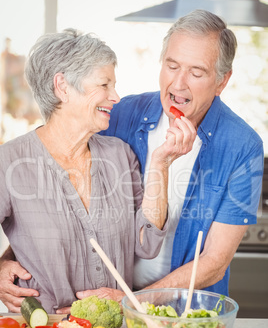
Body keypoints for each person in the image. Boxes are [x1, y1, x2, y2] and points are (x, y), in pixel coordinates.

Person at [0, 10, 264, 313]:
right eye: (172, 65)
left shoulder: (243, 146)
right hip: (103, 311)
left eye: (196, 72)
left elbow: (214, 263)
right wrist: (6, 262)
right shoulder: (120, 115)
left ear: (221, 81)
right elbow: (53, 214)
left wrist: (134, 301)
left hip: (185, 312)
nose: (178, 83)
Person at [0, 29, 191, 313]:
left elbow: (147, 244)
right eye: (104, 84)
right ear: (62, 86)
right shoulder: (10, 161)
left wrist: (161, 165)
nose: (115, 96)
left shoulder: (119, 155)